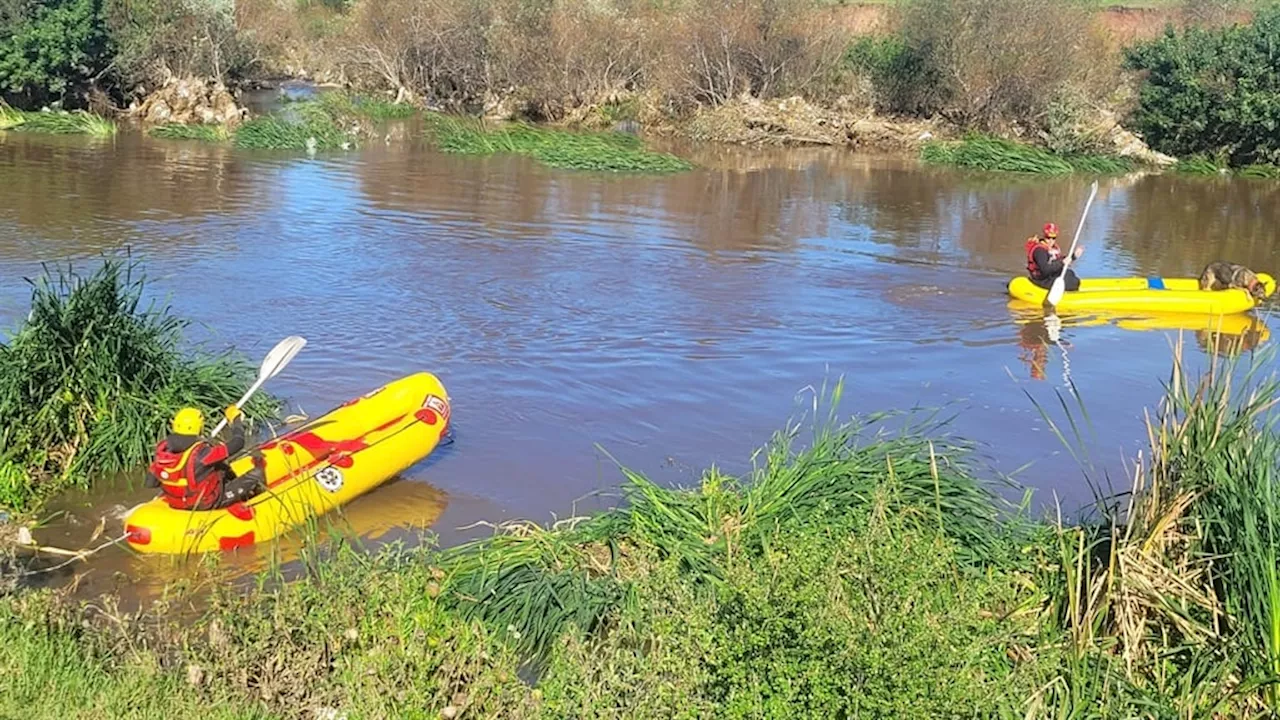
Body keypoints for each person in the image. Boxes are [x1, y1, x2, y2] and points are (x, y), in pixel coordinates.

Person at [145, 405, 265, 510]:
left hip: (177, 503)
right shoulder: (203, 453)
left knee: (221, 467)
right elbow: (238, 443)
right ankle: (258, 500)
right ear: (199, 427)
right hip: (206, 503)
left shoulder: (162, 452)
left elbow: (150, 483)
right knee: (258, 472)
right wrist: (236, 420)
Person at [1025, 222, 1084, 291]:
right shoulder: (1039, 251)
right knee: (1072, 282)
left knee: (1070, 273)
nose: (1051, 241)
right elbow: (1045, 270)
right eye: (1048, 238)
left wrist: (1073, 256)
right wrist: (1062, 263)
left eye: (1053, 238)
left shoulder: (1053, 248)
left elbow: (1058, 261)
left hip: (1051, 276)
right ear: (1044, 236)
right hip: (1041, 279)